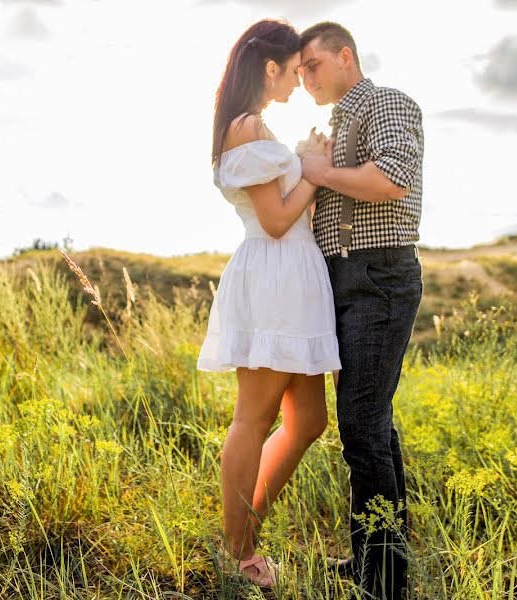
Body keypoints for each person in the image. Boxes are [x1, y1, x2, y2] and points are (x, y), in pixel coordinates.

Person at [196, 18, 342, 590]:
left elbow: (286, 210)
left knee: (308, 420)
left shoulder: (256, 127)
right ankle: (240, 550)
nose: (301, 78)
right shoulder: (248, 125)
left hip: (294, 277)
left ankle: (244, 522)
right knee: (253, 417)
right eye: (296, 67)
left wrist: (305, 163)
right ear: (270, 67)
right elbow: (278, 220)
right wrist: (313, 170)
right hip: (276, 274)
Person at [299, 21, 425, 600]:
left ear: (345, 56)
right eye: (298, 71)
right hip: (344, 279)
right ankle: (379, 559)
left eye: (313, 66)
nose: (304, 79)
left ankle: (385, 578)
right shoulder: (332, 124)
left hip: (378, 275)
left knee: (361, 424)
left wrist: (319, 172)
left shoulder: (387, 103)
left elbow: (392, 178)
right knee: (372, 420)